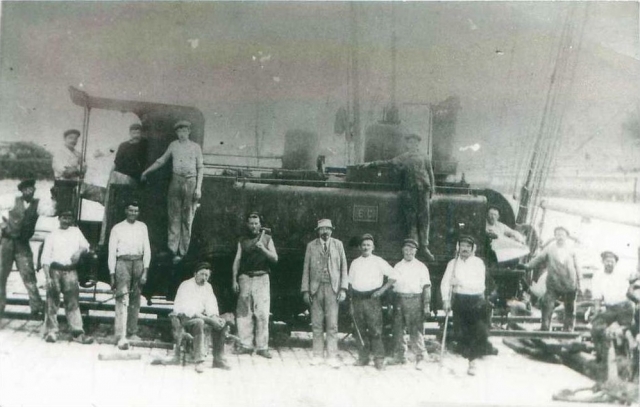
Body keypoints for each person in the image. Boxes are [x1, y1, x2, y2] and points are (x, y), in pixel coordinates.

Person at [359, 133, 436, 260]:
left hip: (424, 191)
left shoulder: (425, 157)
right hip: (409, 192)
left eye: (415, 143)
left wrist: (432, 188)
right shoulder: (404, 157)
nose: (413, 145)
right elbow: (389, 163)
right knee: (411, 220)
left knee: (424, 219)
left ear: (418, 144)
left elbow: (430, 172)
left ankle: (424, 247)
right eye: (410, 142)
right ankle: (413, 248)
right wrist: (371, 164)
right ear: (407, 144)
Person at [140, 120, 203, 263]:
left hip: (191, 182)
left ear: (189, 131)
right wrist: (146, 172)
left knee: (187, 218)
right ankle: (172, 250)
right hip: (176, 181)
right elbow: (161, 160)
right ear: (176, 133)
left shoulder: (195, 147)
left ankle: (183, 252)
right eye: (179, 131)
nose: (182, 134)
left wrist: (198, 188)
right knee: (174, 216)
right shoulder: (173, 145)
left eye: (185, 131)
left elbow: (200, 167)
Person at [0, 179, 55, 321]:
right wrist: (2, 224)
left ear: (34, 190)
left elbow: (51, 212)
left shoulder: (37, 205)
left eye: (31, 189)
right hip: (7, 242)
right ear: (22, 191)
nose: (29, 192)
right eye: (26, 189)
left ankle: (36, 308)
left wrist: (56, 198)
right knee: (1, 276)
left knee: (29, 276)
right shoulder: (12, 200)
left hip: (22, 244)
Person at [301, 219, 348, 368]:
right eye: (322, 229)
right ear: (318, 231)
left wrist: (343, 289)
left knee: (332, 324)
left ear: (331, 230)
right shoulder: (311, 246)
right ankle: (317, 355)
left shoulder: (338, 245)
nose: (325, 231)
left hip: (333, 289)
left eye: (327, 229)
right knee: (316, 324)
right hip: (316, 289)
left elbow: (343, 269)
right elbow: (306, 269)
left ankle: (332, 356)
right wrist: (306, 290)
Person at [41, 210, 93, 344]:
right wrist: (48, 278)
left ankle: (77, 333)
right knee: (52, 302)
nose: (66, 220)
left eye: (69, 217)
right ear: (59, 218)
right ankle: (51, 332)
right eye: (64, 217)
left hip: (71, 271)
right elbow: (45, 258)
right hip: (55, 270)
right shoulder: (52, 235)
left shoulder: (76, 231)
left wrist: (79, 251)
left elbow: (86, 245)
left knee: (73, 302)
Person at [232, 212, 278, 358]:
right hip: (245, 278)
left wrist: (263, 249)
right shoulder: (242, 240)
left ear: (260, 225)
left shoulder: (267, 239)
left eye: (256, 223)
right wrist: (234, 279)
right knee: (244, 313)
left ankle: (262, 347)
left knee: (262, 313)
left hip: (262, 278)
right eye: (251, 223)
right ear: (247, 225)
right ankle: (246, 345)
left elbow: (275, 258)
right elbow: (237, 260)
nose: (253, 226)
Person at [348, 233, 397, 370]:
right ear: (359, 247)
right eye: (363, 245)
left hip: (372, 300)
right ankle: (363, 358)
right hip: (358, 300)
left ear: (373, 247)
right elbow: (350, 284)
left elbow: (394, 276)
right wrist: (351, 303)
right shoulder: (355, 263)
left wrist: (381, 291)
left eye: (368, 245)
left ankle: (379, 359)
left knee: (375, 330)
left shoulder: (378, 261)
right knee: (359, 331)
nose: (365, 247)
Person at [441, 235, 488, 376]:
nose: (464, 248)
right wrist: (445, 300)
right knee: (459, 332)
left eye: (468, 246)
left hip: (475, 301)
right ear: (458, 247)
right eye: (462, 246)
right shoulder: (453, 263)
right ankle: (465, 356)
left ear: (473, 249)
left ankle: (472, 362)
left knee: (473, 332)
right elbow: (445, 282)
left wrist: (460, 282)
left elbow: (480, 285)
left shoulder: (478, 263)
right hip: (459, 300)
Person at [172, 262, 231, 373]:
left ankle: (218, 359)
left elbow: (211, 305)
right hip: (185, 318)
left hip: (200, 317)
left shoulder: (208, 287)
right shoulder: (186, 285)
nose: (204, 278)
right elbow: (190, 311)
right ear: (195, 274)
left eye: (207, 276)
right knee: (199, 322)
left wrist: (215, 318)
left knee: (222, 322)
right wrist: (210, 320)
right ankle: (199, 361)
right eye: (202, 274)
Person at [108, 200, 151, 350]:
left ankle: (132, 332)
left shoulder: (142, 227)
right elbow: (112, 252)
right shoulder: (117, 228)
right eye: (131, 210)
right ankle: (120, 334)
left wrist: (145, 271)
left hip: (138, 262)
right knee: (122, 297)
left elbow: (147, 250)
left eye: (136, 211)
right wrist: (112, 274)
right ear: (126, 211)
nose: (133, 213)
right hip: (122, 263)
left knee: (135, 298)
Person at [523, 226, 581, 332]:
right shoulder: (550, 248)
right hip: (553, 283)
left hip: (569, 284)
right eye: (558, 234)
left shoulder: (572, 250)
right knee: (547, 305)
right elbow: (538, 259)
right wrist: (527, 266)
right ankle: (545, 327)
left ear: (566, 236)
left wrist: (579, 284)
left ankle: (568, 329)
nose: (560, 237)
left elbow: (578, 267)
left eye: (562, 235)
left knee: (569, 308)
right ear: (555, 236)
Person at [100, 123, 147, 245]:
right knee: (111, 209)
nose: (135, 133)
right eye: (133, 131)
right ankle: (105, 241)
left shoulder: (144, 145)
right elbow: (116, 163)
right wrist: (109, 178)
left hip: (132, 181)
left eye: (138, 131)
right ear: (130, 132)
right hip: (117, 179)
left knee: (127, 210)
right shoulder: (123, 146)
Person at [389, 238, 431, 370]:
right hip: (399, 299)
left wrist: (426, 305)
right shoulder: (397, 266)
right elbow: (392, 286)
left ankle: (421, 357)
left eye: (411, 250)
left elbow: (426, 287)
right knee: (398, 329)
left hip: (415, 300)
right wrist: (391, 304)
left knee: (415, 330)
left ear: (415, 251)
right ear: (402, 251)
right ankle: (400, 356)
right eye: (406, 250)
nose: (408, 253)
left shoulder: (421, 266)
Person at [590, 251, 635, 363]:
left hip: (625, 308)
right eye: (607, 261)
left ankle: (624, 358)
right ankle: (599, 356)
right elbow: (597, 297)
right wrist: (596, 312)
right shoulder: (598, 275)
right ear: (602, 262)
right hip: (610, 309)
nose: (609, 264)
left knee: (623, 332)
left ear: (616, 262)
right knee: (596, 327)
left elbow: (634, 278)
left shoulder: (623, 273)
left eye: (612, 261)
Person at [51, 129, 86, 215]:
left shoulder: (78, 154)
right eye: (70, 138)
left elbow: (84, 169)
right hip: (62, 185)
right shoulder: (58, 152)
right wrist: (77, 170)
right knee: (62, 212)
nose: (73, 141)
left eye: (75, 138)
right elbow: (64, 171)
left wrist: (74, 170)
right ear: (65, 139)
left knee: (73, 212)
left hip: (74, 185)